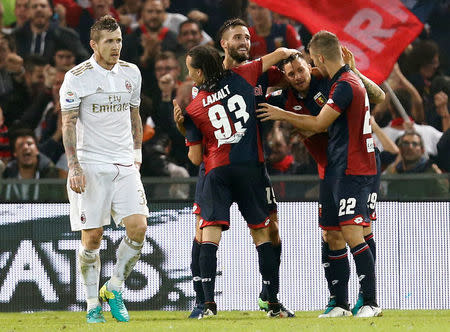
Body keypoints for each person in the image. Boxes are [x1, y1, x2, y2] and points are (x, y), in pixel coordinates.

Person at [174, 18, 293, 319]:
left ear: (198, 71)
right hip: (248, 164)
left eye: (247, 37)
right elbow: (280, 56)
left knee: (210, 233)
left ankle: (214, 304)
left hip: (217, 167)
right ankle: (211, 302)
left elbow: (195, 157)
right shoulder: (246, 73)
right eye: (237, 37)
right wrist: (294, 51)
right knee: (257, 233)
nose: (244, 41)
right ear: (223, 45)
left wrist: (182, 126)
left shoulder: (194, 103)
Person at [257, 30, 382, 317]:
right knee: (331, 234)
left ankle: (369, 299)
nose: (299, 75)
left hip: (358, 161)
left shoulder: (334, 80)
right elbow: (254, 108)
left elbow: (380, 96)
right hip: (331, 168)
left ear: (312, 64)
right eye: (291, 73)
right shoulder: (284, 98)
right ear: (285, 77)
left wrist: (355, 71)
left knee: (360, 229)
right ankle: (339, 301)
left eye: (302, 68)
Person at [60, 15, 149, 323]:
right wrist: (74, 167)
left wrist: (137, 152)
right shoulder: (77, 76)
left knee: (138, 228)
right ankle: (90, 304)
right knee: (93, 238)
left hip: (124, 163)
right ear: (94, 44)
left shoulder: (131, 73)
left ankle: (113, 287)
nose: (116, 47)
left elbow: (134, 114)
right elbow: (68, 123)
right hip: (90, 163)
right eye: (110, 41)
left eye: (119, 40)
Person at [1, 128, 62, 201]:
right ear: (15, 153)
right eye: (20, 145)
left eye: (29, 144)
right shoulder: (7, 175)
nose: (25, 147)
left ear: (37, 150)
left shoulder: (50, 174)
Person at [384, 131, 448, 199]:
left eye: (415, 144)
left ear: (422, 150)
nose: (410, 147)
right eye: (406, 143)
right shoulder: (393, 172)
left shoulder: (432, 172)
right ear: (400, 149)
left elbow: (444, 202)